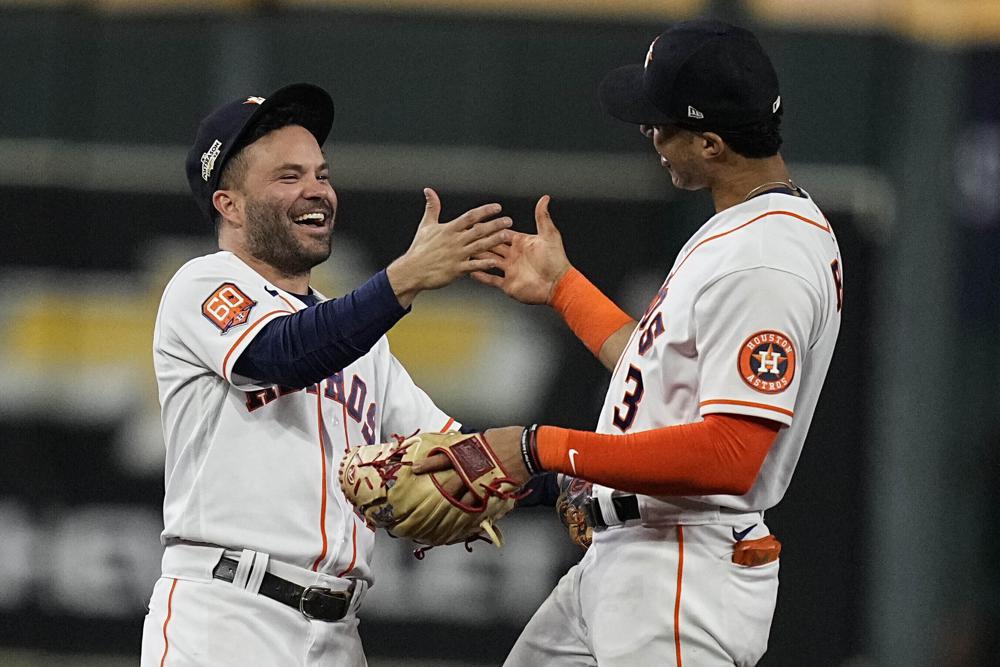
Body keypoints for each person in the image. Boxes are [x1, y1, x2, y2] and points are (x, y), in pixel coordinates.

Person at [416, 18, 844, 666]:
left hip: (680, 573)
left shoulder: (766, 259)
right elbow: (657, 369)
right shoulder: (751, 224)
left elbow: (732, 452)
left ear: (710, 143)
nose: (649, 134)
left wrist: (540, 448)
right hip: (633, 560)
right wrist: (564, 289)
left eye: (661, 122)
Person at [140, 83, 512, 666]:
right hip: (226, 619)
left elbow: (464, 455)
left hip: (339, 634)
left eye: (321, 173)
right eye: (288, 177)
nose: (317, 191)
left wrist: (574, 474)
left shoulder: (365, 345)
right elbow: (282, 354)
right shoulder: (201, 284)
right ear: (229, 204)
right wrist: (405, 279)